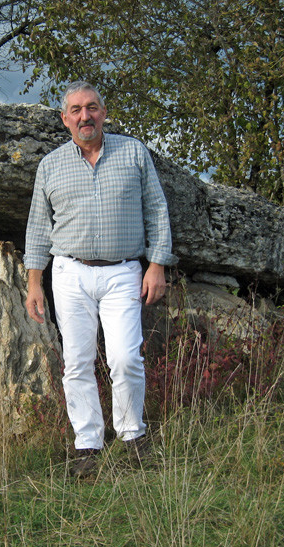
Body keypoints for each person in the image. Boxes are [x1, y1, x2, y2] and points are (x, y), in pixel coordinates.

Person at [23, 81, 177, 478]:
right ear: (64, 119)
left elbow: (157, 210)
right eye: (75, 110)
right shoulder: (51, 166)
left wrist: (157, 264)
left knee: (126, 357)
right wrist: (34, 282)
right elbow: (39, 227)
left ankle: (132, 434)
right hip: (69, 273)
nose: (84, 116)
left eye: (91, 108)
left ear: (104, 113)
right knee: (77, 362)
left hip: (123, 271)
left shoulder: (133, 153)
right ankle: (87, 445)